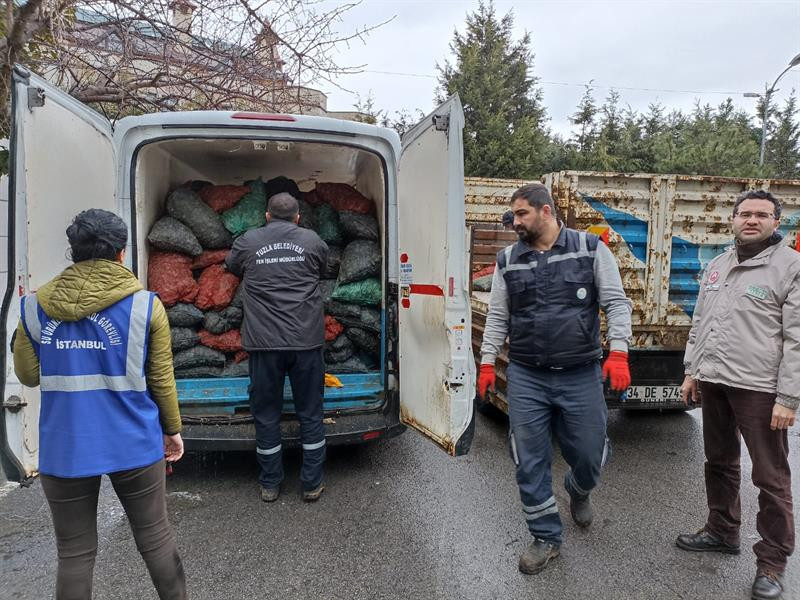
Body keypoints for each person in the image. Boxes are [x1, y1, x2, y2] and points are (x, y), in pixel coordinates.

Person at [13, 209, 187, 600]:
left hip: (66, 446)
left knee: (74, 555)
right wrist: (172, 430)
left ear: (73, 251)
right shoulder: (145, 307)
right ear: (121, 253)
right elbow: (161, 379)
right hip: (134, 443)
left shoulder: (33, 306)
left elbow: (28, 375)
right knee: (155, 541)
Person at [478, 183, 632, 575]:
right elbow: (498, 316)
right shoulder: (507, 260)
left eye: (521, 213)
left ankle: (579, 490)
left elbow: (616, 303)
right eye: (513, 214)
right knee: (528, 460)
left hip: (580, 374)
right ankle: (545, 536)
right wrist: (484, 362)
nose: (514, 221)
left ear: (546, 212)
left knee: (589, 453)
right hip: (527, 376)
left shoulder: (589, 249)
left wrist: (618, 352)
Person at [677, 190, 798, 600]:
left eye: (762, 214)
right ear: (732, 220)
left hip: (760, 389)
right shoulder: (718, 265)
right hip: (714, 382)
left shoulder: (791, 268)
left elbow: (797, 339)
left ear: (776, 222)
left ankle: (772, 564)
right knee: (720, 462)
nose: (751, 220)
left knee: (770, 477)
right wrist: (692, 371)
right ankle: (722, 530)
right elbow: (700, 322)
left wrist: (789, 398)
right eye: (744, 213)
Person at [225, 192, 329, 503]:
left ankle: (270, 483)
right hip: (307, 343)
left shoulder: (249, 241)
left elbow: (231, 267)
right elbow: (322, 271)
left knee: (267, 414)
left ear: (267, 215)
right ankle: (311, 484)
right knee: (310, 413)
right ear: (298, 217)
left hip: (264, 345)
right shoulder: (313, 241)